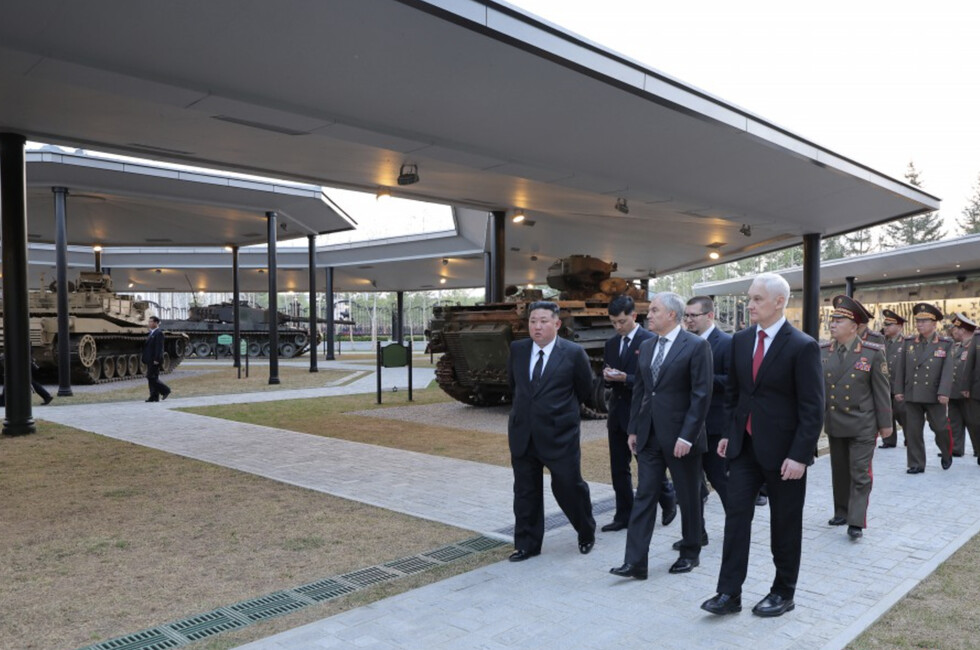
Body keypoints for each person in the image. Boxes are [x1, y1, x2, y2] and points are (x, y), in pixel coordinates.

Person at [701, 272, 824, 618]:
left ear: (779, 302)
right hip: (745, 449)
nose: (750, 304)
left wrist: (799, 456)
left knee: (784, 524)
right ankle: (729, 593)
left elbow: (813, 409)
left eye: (757, 299)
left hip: (785, 455)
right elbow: (735, 394)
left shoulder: (802, 345)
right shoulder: (741, 340)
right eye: (750, 298)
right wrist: (729, 433)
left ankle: (783, 592)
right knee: (736, 518)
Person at [610, 292, 712, 579]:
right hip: (649, 437)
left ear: (671, 315)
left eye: (654, 310)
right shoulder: (646, 345)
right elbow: (641, 391)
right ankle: (635, 562)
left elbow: (701, 395)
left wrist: (687, 436)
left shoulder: (696, 346)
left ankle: (690, 553)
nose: (648, 315)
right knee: (644, 495)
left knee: (688, 497)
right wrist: (633, 428)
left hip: (682, 439)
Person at [507, 301, 595, 561]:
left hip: (560, 435)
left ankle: (586, 530)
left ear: (557, 324)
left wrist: (558, 412)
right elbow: (514, 385)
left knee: (569, 487)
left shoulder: (573, 353)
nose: (537, 326)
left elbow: (584, 389)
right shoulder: (518, 349)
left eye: (543, 321)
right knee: (525, 491)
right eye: (533, 321)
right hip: (523, 434)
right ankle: (527, 544)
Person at [600, 295, 677, 533]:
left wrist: (626, 378)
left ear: (634, 316)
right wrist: (608, 378)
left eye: (622, 321)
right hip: (617, 414)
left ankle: (668, 500)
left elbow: (655, 381)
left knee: (648, 465)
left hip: (642, 414)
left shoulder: (650, 341)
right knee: (618, 468)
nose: (618, 326)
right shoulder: (611, 344)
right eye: (613, 322)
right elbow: (610, 378)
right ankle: (623, 514)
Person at [820, 295, 892, 540]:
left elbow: (881, 391)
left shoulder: (872, 353)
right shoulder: (823, 352)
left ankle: (856, 520)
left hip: (863, 423)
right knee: (839, 471)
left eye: (839, 321)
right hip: (835, 421)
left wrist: (886, 424)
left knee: (860, 473)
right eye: (832, 320)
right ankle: (841, 511)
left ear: (854, 326)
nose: (833, 324)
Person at [673, 295, 731, 551]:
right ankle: (697, 534)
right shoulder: (684, 343)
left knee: (721, 481)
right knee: (692, 487)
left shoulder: (726, 343)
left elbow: (733, 382)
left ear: (709, 316)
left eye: (693, 315)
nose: (688, 320)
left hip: (715, 426)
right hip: (689, 427)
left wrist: (702, 379)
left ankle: (737, 529)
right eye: (686, 315)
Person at [893, 303, 954, 473]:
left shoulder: (945, 344)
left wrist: (944, 392)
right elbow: (901, 368)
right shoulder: (909, 342)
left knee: (940, 428)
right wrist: (898, 390)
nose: (920, 324)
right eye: (918, 321)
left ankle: (946, 452)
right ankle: (916, 463)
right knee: (913, 430)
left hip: (935, 394)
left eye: (924, 321)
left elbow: (948, 370)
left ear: (934, 324)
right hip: (912, 393)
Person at [946, 313, 976, 458]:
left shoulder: (974, 346)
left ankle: (978, 449)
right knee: (954, 421)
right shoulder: (956, 346)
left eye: (955, 329)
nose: (953, 331)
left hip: (969, 392)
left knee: (974, 422)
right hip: (953, 392)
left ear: (962, 330)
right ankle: (956, 448)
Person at [880, 309, 908, 449]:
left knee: (903, 413)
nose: (885, 327)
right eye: (885, 324)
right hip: (884, 385)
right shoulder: (881, 342)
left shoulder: (906, 343)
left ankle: (910, 437)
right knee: (887, 412)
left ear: (899, 326)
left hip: (900, 386)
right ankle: (889, 440)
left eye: (889, 325)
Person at [142, 315, 172, 402]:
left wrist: (157, 359)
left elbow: (159, 348)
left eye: (151, 322)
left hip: (154, 360)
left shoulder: (159, 333)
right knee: (153, 377)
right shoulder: (152, 333)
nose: (149, 323)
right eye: (149, 321)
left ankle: (166, 390)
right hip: (150, 359)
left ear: (156, 323)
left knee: (150, 377)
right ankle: (154, 396)